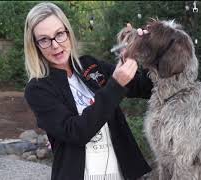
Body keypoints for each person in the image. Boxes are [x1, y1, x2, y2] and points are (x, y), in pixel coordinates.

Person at [23, 2, 153, 180]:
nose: (55, 45)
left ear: (68, 33)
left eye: (59, 34)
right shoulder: (38, 89)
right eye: (44, 39)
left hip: (122, 174)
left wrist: (148, 51)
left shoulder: (90, 66)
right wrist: (115, 85)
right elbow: (75, 132)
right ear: (35, 45)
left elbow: (146, 88)